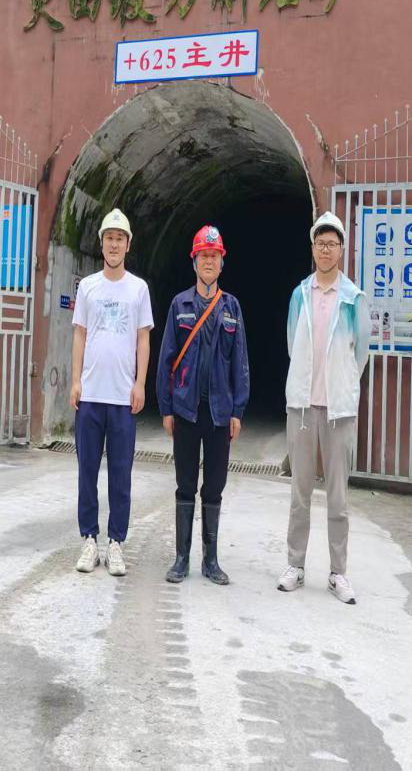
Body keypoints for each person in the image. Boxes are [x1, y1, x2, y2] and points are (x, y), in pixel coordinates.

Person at [278, 211, 370, 604]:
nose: (326, 250)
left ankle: (338, 572)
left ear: (341, 250)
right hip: (302, 407)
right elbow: (292, 343)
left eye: (332, 244)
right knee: (300, 492)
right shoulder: (300, 294)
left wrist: (341, 384)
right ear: (313, 248)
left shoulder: (353, 298)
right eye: (320, 243)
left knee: (338, 496)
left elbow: (361, 353)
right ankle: (295, 565)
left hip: (338, 411)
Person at [156, 225, 249, 585]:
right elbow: (166, 358)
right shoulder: (179, 305)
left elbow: (240, 362)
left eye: (215, 256)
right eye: (204, 256)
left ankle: (211, 560)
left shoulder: (231, 307)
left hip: (219, 413)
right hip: (186, 409)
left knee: (214, 487)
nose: (209, 261)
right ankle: (181, 559)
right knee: (185, 484)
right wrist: (166, 407)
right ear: (194, 261)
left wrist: (238, 410)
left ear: (222, 262)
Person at [70, 208, 153, 577]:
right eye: (109, 238)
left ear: (128, 245)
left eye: (120, 238)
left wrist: (140, 383)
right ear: (101, 243)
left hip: (122, 398)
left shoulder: (138, 288)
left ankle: (116, 542)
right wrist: (76, 381)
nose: (114, 244)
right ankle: (89, 539)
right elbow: (80, 334)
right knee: (87, 472)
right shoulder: (88, 286)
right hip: (90, 395)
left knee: (121, 474)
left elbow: (143, 338)